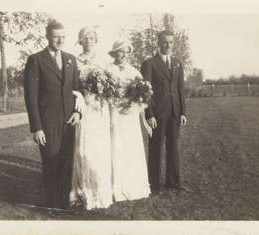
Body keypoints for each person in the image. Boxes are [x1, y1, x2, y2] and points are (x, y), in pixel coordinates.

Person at [23, 20, 81, 209]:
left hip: (69, 122)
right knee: (51, 162)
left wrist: (77, 113)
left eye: (63, 37)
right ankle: (52, 204)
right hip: (48, 124)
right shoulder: (36, 60)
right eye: (56, 36)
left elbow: (77, 91)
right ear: (47, 36)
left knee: (66, 163)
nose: (60, 40)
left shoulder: (71, 59)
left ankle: (64, 202)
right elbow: (30, 97)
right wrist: (37, 128)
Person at [69, 26, 114, 210]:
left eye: (91, 38)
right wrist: (79, 96)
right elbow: (71, 84)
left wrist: (103, 91)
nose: (88, 41)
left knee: (99, 150)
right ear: (80, 41)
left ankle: (99, 190)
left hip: (99, 108)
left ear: (96, 40)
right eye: (85, 38)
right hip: (84, 107)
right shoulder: (75, 61)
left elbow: (112, 83)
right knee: (83, 148)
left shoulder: (104, 60)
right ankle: (81, 192)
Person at [140, 30, 189, 195]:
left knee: (173, 147)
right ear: (158, 43)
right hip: (158, 114)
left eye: (170, 42)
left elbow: (180, 89)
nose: (168, 45)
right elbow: (145, 92)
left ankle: (173, 181)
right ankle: (153, 184)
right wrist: (150, 114)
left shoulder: (177, 63)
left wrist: (183, 112)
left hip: (174, 113)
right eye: (164, 42)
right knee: (156, 148)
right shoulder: (149, 63)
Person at [106, 40, 151, 202]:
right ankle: (115, 186)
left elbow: (143, 98)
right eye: (120, 51)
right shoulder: (108, 70)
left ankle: (132, 185)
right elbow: (105, 94)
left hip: (130, 115)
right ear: (114, 53)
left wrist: (134, 106)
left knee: (131, 147)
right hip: (114, 113)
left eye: (126, 51)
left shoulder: (134, 72)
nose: (123, 54)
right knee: (115, 146)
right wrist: (116, 104)